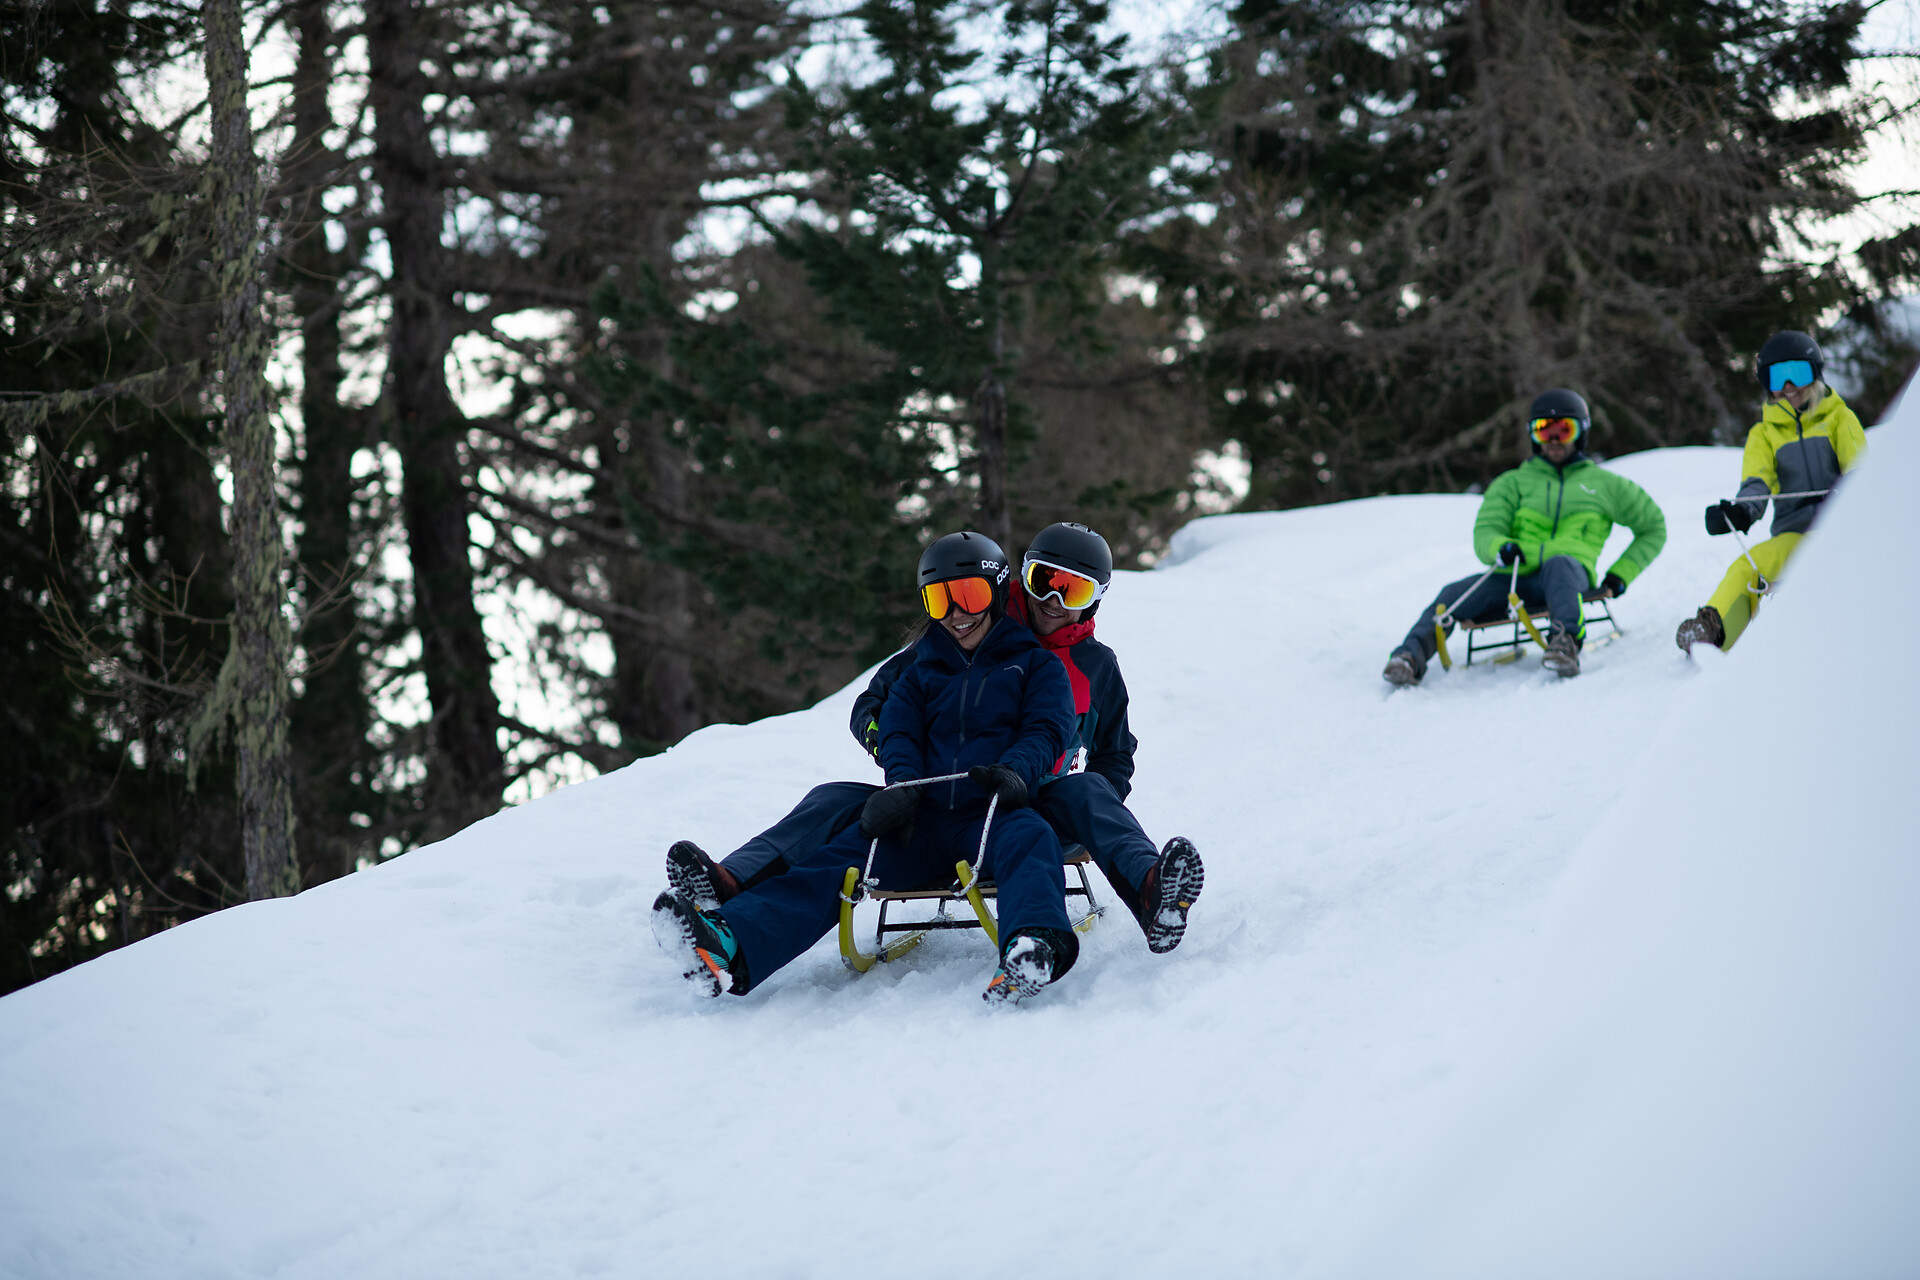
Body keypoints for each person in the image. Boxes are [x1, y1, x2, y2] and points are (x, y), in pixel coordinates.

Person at [664, 522, 1204, 954]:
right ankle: (731, 882)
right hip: (939, 793)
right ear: (1019, 576)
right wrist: (902, 770)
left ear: (1097, 598)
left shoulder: (1095, 666)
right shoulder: (965, 628)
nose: (1054, 600)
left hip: (1038, 796)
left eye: (1074, 589)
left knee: (1087, 791)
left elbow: (1114, 752)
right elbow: (875, 706)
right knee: (834, 799)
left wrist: (1093, 811)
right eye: (1044, 580)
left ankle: (1151, 892)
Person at [651, 531, 1083, 1002]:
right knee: (839, 857)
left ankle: (1033, 945)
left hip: (995, 813)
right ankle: (729, 941)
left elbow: (1047, 728)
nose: (956, 613)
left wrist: (1015, 771)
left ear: (997, 594)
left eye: (969, 594)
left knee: (1032, 839)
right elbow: (898, 731)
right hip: (922, 820)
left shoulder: (1036, 666)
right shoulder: (919, 672)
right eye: (940, 601)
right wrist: (902, 787)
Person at [1382, 389, 1667, 685]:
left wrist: (1621, 574)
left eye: (1563, 430)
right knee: (1451, 595)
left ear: (1581, 432)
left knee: (1559, 563)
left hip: (1568, 576)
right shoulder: (1513, 483)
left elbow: (1654, 526)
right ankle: (1408, 657)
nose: (1554, 440)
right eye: (1544, 431)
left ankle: (1565, 644)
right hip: (1514, 577)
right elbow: (1486, 531)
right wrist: (1500, 547)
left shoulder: (1607, 485)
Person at [1676, 330, 1867, 654]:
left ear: (1815, 374)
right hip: (1794, 537)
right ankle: (1711, 632)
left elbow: (1860, 469)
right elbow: (1757, 482)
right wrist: (1740, 512)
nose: (1789, 386)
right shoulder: (1763, 434)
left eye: (1797, 373)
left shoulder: (1839, 418)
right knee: (1748, 566)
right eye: (1779, 377)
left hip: (1843, 532)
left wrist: (1856, 498)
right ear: (1768, 383)